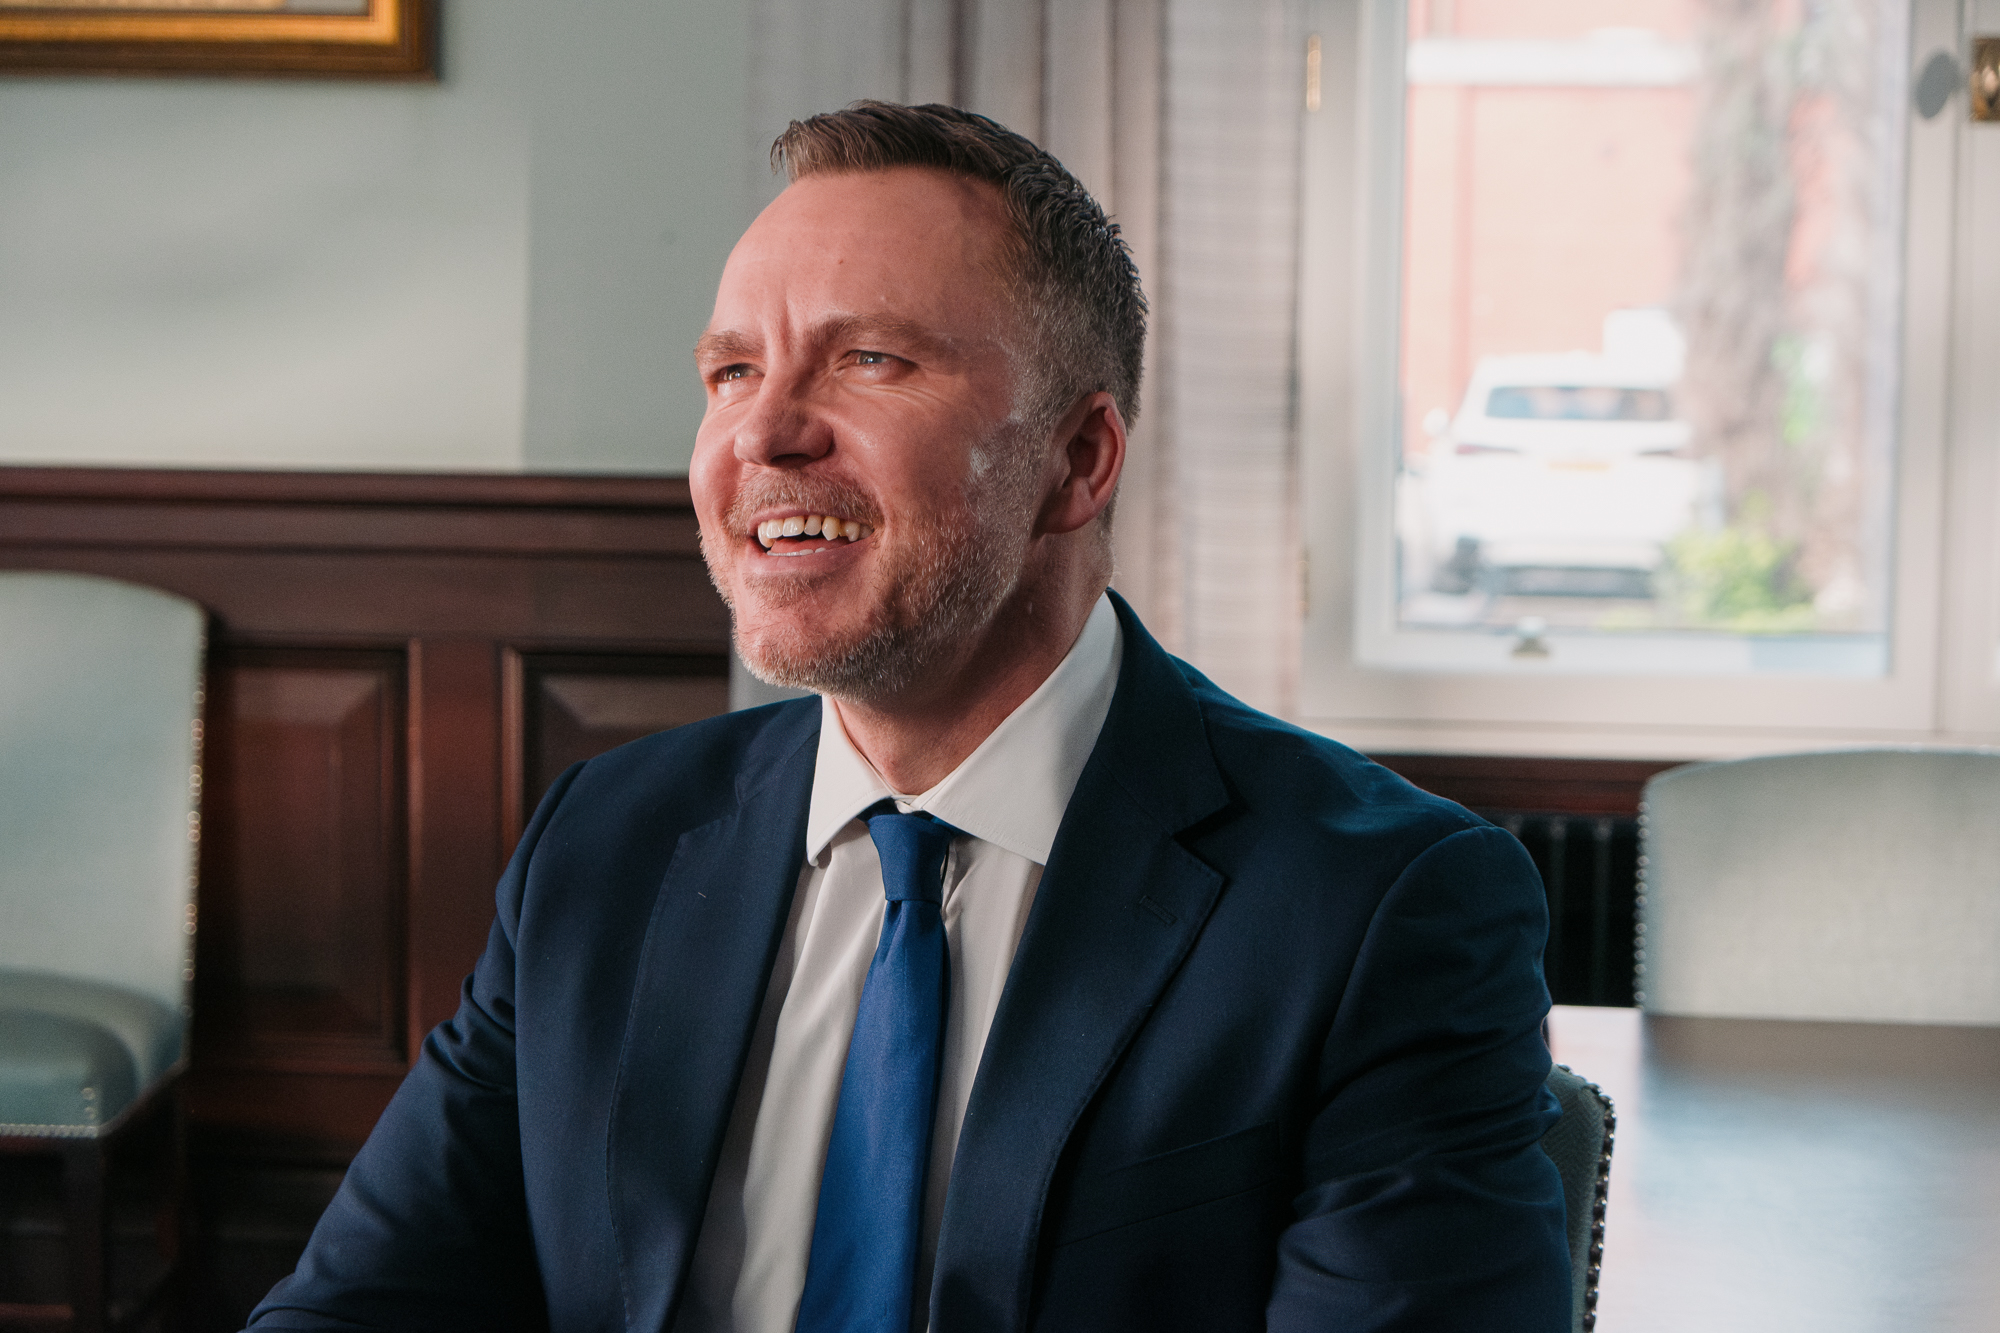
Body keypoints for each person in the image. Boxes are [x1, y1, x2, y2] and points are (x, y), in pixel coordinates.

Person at [247, 101, 1568, 1333]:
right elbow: (358, 1306)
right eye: (731, 371)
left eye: (869, 360)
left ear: (1078, 460)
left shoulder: (1378, 907)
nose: (764, 435)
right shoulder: (604, 843)